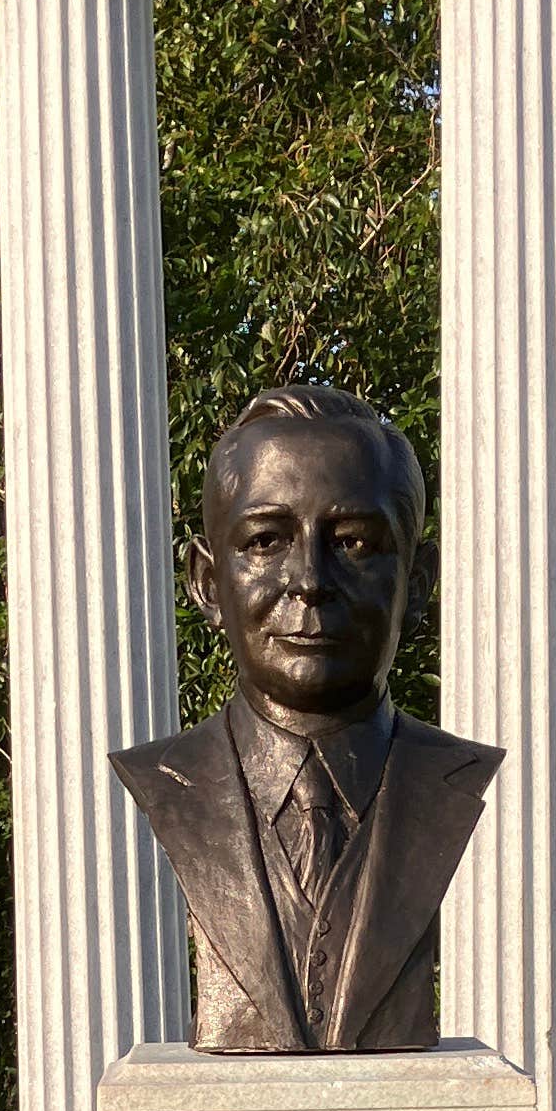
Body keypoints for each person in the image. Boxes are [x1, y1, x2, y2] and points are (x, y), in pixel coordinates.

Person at [113, 380, 500, 1053]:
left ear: (418, 583)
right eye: (266, 540)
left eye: (353, 542)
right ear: (207, 584)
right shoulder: (164, 783)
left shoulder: (455, 783)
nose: (310, 580)